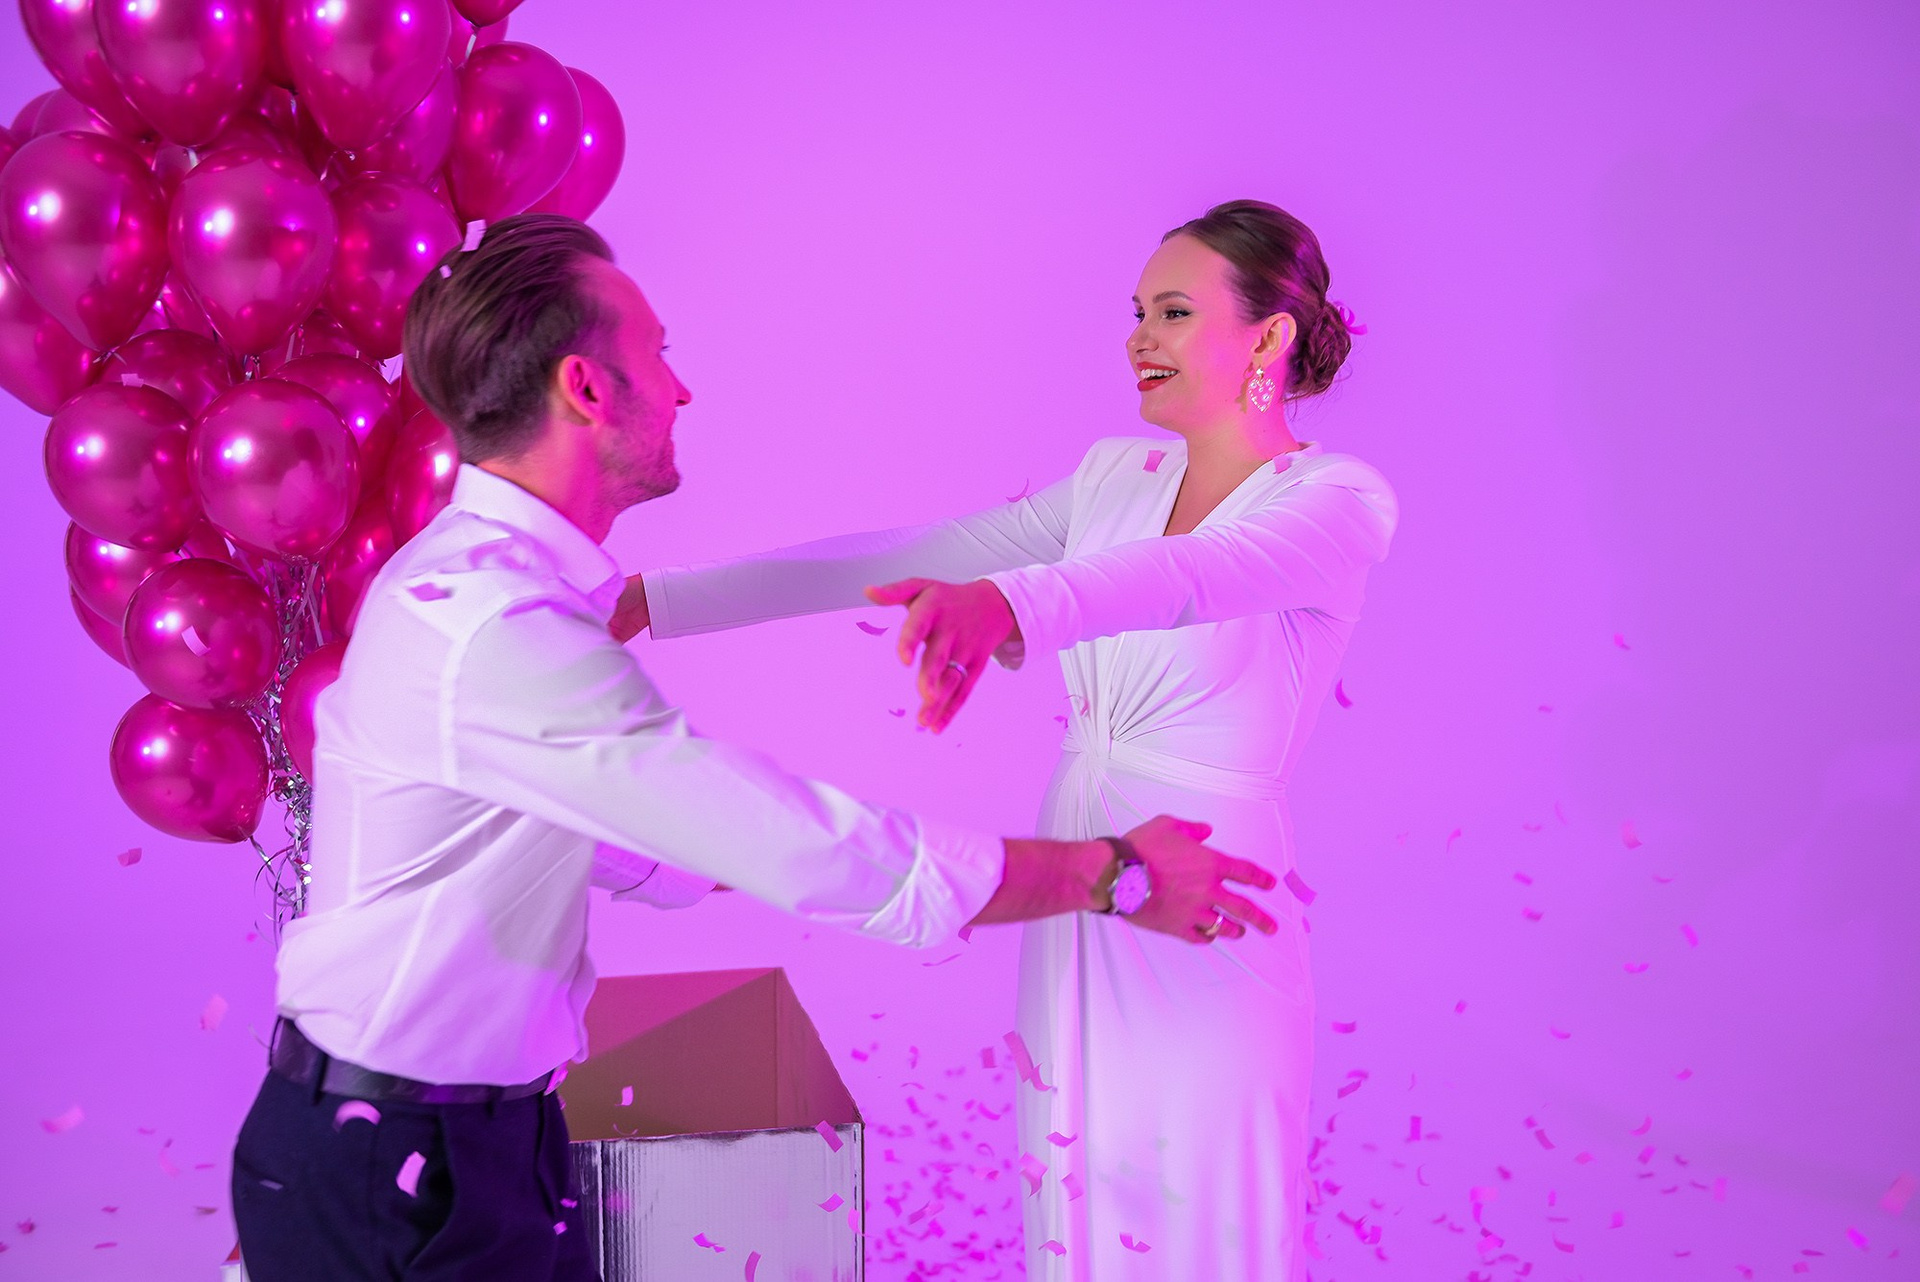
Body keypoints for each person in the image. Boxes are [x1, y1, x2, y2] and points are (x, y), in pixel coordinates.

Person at [229, 214, 1280, 1282]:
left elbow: (664, 844)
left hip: (485, 1143)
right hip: (393, 1168)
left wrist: (741, 828)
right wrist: (1108, 872)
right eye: (659, 354)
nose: (682, 390)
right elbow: (764, 838)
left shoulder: (504, 592)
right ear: (586, 389)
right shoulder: (499, 625)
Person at [612, 199, 1399, 1280]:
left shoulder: (1339, 501)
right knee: (1078, 1196)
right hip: (1084, 873)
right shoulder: (1115, 477)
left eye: (1174, 312)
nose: (1140, 337)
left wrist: (1010, 604)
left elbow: (1186, 578)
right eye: (1137, 312)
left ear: (1268, 336)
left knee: (1206, 1213)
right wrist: (658, 598)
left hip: (1214, 895)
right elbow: (907, 552)